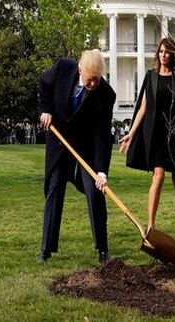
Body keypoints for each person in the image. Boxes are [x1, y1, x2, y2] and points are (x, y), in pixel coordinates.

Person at [37, 49, 116, 264]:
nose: (93, 85)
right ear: (81, 69)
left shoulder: (106, 95)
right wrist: (45, 110)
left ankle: (103, 249)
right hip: (59, 137)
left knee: (94, 191)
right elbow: (44, 85)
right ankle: (46, 249)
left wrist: (101, 171)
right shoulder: (63, 68)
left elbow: (102, 135)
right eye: (90, 80)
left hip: (86, 145)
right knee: (55, 187)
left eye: (97, 80)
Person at [119, 37, 175, 240]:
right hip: (156, 134)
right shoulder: (151, 76)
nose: (163, 55)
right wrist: (131, 132)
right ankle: (151, 226)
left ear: (173, 54)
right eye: (161, 51)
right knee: (158, 177)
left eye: (167, 52)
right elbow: (143, 107)